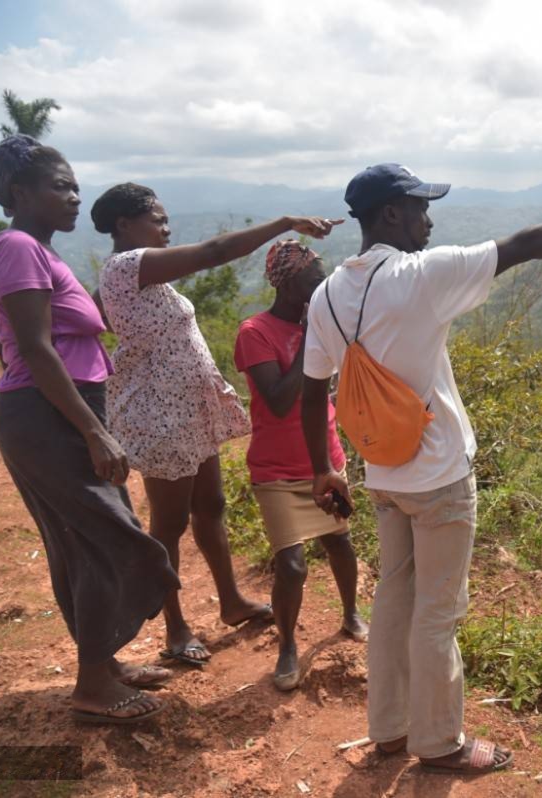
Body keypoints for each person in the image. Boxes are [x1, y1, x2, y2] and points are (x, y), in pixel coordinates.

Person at [301, 162, 542, 774]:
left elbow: (312, 385)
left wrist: (325, 467)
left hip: (383, 473)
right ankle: (440, 742)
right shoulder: (420, 275)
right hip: (439, 476)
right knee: (438, 611)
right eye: (420, 207)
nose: (430, 218)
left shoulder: (326, 295)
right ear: (391, 214)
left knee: (394, 598)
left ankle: (391, 731)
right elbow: (527, 244)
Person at [91, 183, 339, 668]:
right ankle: (174, 626)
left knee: (211, 505)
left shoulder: (145, 277)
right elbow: (216, 251)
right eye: (156, 219)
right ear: (124, 225)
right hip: (162, 415)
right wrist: (286, 221)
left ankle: (230, 601)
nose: (166, 227)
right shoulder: (128, 265)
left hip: (188, 411)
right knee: (169, 524)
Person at [0, 135, 180, 724]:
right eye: (60, 185)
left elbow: (7, 340)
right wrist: (94, 431)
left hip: (55, 410)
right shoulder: (18, 246)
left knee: (87, 541)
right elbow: (36, 351)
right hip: (49, 416)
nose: (74, 196)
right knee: (107, 542)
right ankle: (93, 684)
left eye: (74, 185)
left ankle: (106, 665)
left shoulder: (36, 251)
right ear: (20, 193)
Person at [233, 240, 369, 691]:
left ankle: (350, 613)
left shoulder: (321, 323)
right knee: (291, 565)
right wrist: (313, 334)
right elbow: (277, 399)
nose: (321, 286)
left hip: (324, 459)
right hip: (276, 469)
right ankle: (288, 644)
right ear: (289, 284)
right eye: (314, 280)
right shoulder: (256, 332)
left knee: (340, 544)